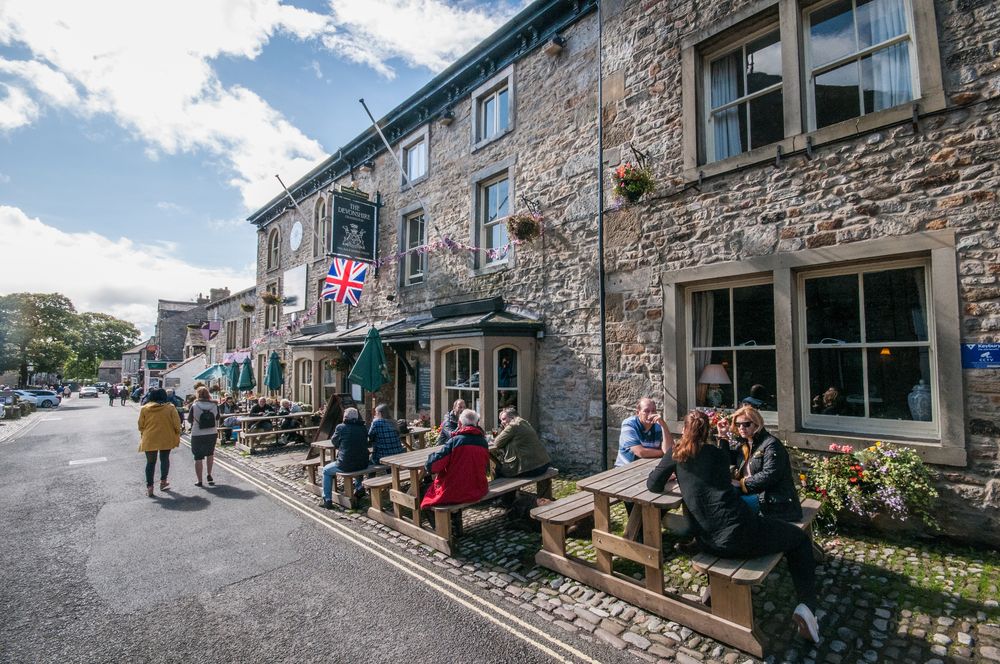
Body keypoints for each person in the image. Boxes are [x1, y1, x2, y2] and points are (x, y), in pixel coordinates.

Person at [646, 410, 820, 644]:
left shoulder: (675, 454)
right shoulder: (717, 456)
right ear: (707, 431)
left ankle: (707, 577)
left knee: (717, 524)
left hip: (708, 541)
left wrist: (675, 474)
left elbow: (653, 484)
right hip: (741, 532)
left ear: (684, 430)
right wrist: (721, 442)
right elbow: (722, 463)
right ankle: (807, 608)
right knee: (798, 539)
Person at [716, 405, 802, 521]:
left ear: (757, 424)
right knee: (719, 499)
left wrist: (742, 483)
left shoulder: (771, 445)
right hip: (753, 495)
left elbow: (770, 475)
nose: (741, 427)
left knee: (729, 508)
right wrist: (722, 436)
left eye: (746, 424)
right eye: (738, 424)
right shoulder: (745, 444)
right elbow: (723, 460)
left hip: (772, 500)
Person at [421, 409, 490, 535]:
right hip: (478, 488)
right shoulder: (483, 442)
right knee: (458, 482)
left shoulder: (455, 441)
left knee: (425, 494)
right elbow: (486, 468)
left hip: (456, 491)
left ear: (459, 423)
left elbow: (433, 466)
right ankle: (457, 527)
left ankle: (442, 531)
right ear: (476, 423)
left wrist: (430, 459)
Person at [320, 407, 370, 509]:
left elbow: (334, 441)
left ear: (345, 417)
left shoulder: (341, 427)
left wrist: (342, 445)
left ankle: (327, 499)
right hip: (363, 462)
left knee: (325, 470)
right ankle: (359, 486)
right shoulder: (363, 427)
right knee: (356, 458)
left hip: (346, 464)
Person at [138, 388, 181, 497]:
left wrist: (144, 432)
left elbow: (140, 425)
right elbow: (177, 424)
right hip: (166, 437)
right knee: (164, 459)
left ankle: (150, 487)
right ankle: (163, 482)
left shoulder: (144, 409)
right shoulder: (170, 408)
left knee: (150, 463)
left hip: (149, 438)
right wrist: (177, 433)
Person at [491, 407, 551, 479]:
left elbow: (497, 443)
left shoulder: (513, 425)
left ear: (512, 417)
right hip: (543, 464)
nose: (502, 422)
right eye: (501, 420)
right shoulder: (524, 422)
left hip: (533, 468)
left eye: (504, 419)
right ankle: (512, 489)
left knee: (498, 470)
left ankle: (506, 490)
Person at [614, 397, 675, 467]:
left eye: (653, 410)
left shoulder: (658, 426)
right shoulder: (629, 424)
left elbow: (670, 450)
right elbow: (640, 452)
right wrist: (663, 453)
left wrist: (664, 426)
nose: (651, 414)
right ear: (638, 413)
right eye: (646, 411)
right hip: (625, 469)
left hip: (648, 467)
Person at [187, 386, 219, 487]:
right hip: (211, 433)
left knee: (198, 457)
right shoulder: (214, 405)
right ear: (208, 394)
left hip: (197, 433)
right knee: (210, 454)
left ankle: (199, 480)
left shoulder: (194, 405)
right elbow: (217, 418)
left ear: (198, 394)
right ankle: (209, 474)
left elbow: (189, 420)